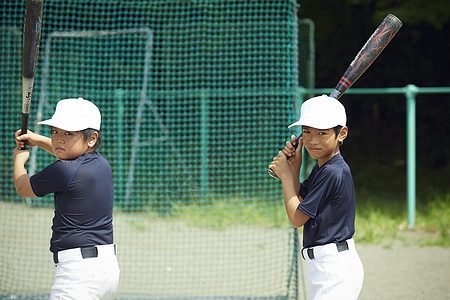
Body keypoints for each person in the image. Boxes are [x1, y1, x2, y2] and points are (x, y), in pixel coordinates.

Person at [13, 97, 120, 299]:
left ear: (92, 138)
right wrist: (37, 139)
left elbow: (23, 187)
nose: (59, 139)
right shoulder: (101, 162)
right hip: (107, 271)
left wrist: (18, 160)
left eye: (69, 133)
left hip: (77, 275)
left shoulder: (63, 170)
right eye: (55, 131)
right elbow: (65, 152)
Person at [268, 95, 364, 299]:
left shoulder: (333, 171)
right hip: (323, 267)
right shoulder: (323, 167)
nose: (312, 140)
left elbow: (297, 217)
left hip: (335, 270)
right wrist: (294, 167)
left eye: (322, 133)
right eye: (307, 131)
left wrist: (285, 175)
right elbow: (298, 196)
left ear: (342, 133)